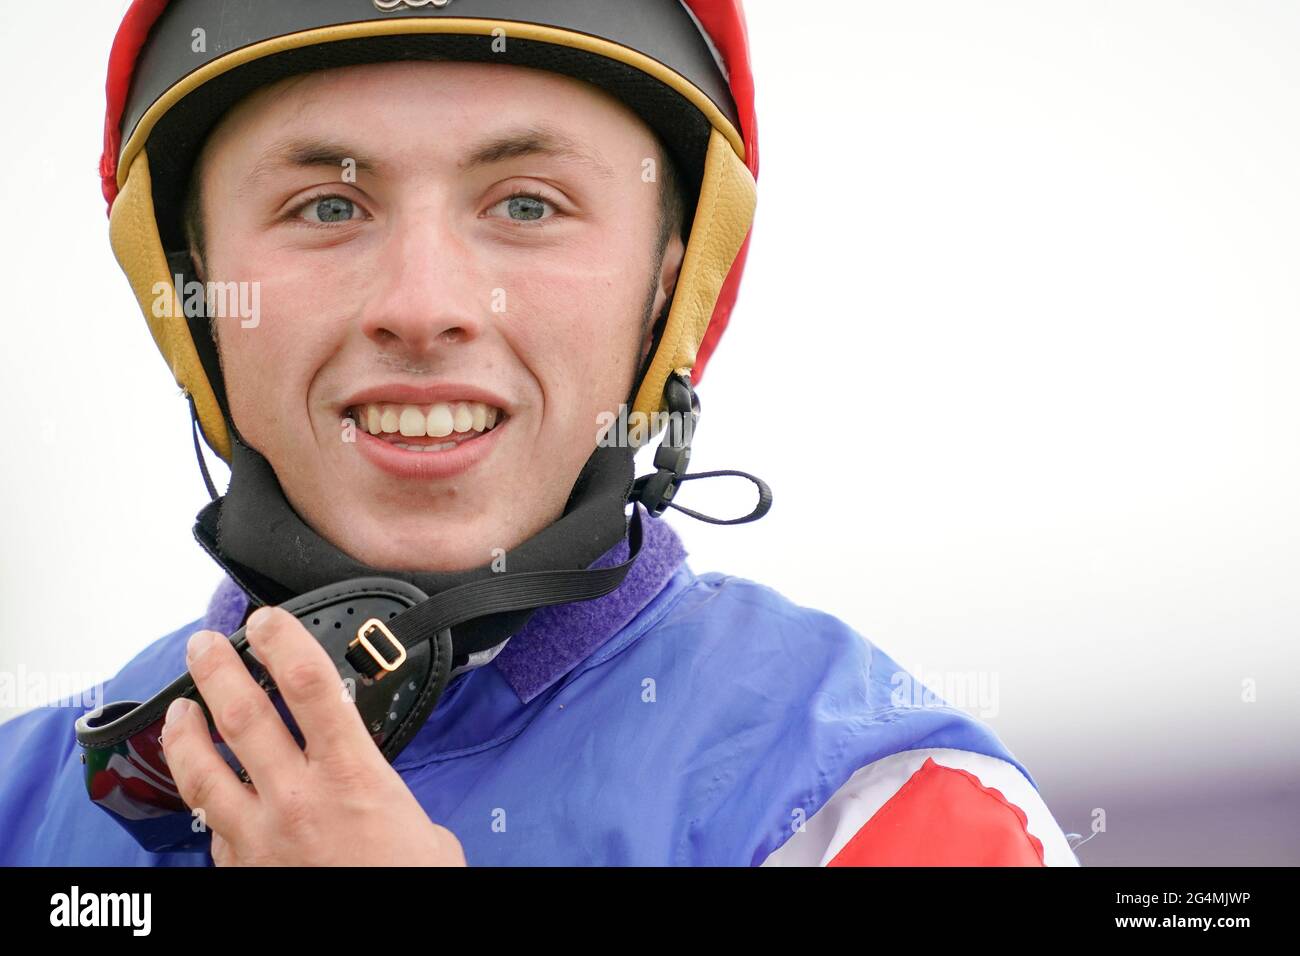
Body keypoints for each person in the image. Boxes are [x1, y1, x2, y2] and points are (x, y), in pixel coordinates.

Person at [0, 0, 1079, 866]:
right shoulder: (20, 804)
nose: (422, 307)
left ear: (667, 287)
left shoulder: (867, 808)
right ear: (189, 286)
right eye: (327, 208)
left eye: (525, 205)